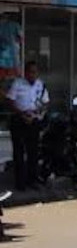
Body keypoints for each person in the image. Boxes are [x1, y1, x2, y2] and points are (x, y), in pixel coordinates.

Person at [5, 61, 49, 190]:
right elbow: (10, 101)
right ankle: (20, 183)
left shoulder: (40, 85)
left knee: (33, 152)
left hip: (33, 120)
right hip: (19, 120)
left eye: (35, 72)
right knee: (19, 153)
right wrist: (22, 114)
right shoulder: (18, 84)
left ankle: (32, 180)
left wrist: (38, 112)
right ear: (25, 72)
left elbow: (46, 102)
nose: (32, 75)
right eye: (30, 72)